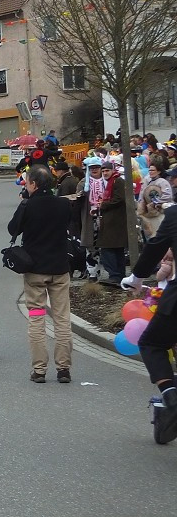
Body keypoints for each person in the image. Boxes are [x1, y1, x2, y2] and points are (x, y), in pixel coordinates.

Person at [121, 165, 177, 443]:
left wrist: (135, 278)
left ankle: (171, 396)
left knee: (152, 343)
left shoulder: (176, 215)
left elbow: (155, 248)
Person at [8, 166, 73, 383]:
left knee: (36, 318)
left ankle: (39, 370)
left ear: (33, 184)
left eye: (27, 183)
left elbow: (12, 229)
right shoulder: (64, 204)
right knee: (62, 318)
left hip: (35, 271)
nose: (26, 186)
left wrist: (24, 203)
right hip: (60, 269)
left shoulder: (27, 205)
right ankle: (64, 368)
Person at [96, 161, 128, 286]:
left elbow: (119, 198)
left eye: (107, 171)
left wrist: (103, 205)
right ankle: (118, 275)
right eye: (103, 171)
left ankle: (115, 275)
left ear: (112, 170)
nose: (104, 173)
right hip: (112, 220)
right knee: (116, 249)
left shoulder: (117, 181)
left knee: (108, 248)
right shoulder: (112, 182)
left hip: (115, 221)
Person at [137, 163, 173, 240]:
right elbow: (142, 195)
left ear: (159, 171)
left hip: (159, 214)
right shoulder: (147, 181)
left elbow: (167, 196)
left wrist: (155, 203)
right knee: (150, 237)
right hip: (148, 215)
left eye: (153, 170)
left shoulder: (162, 182)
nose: (150, 172)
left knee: (158, 236)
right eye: (149, 170)